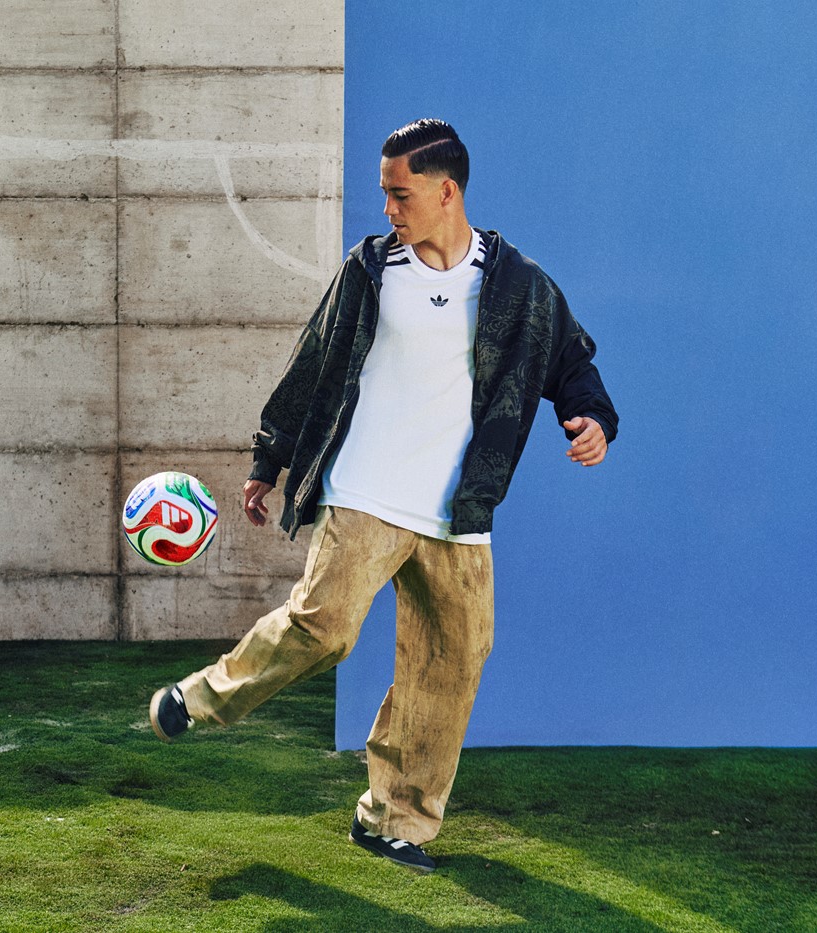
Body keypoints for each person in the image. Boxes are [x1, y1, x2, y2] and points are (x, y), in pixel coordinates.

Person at [148, 118, 618, 873]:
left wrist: (591, 417)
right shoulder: (370, 270)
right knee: (325, 628)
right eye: (385, 195)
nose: (389, 209)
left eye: (401, 195)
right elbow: (312, 361)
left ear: (446, 191)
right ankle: (203, 696)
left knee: (453, 660)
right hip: (366, 490)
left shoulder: (518, 285)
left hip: (457, 510)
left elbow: (571, 360)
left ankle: (392, 819)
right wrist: (270, 458)